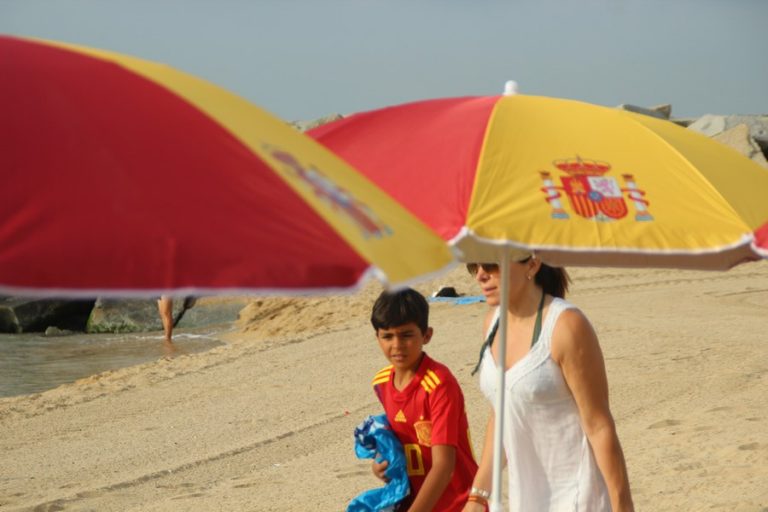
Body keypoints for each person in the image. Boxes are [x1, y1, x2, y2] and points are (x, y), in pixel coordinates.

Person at [463, 257, 634, 512]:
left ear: (532, 265)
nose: (480, 275)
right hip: (526, 500)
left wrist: (623, 505)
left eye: (490, 265)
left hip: (578, 498)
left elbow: (599, 425)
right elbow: (502, 413)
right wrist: (477, 496)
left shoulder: (566, 325)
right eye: (473, 266)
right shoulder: (492, 324)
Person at [369, 288, 481, 512]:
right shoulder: (381, 383)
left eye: (406, 335)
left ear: (427, 335)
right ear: (377, 337)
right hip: (416, 501)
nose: (397, 345)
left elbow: (444, 466)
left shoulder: (439, 385)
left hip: (458, 503)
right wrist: (380, 464)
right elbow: (401, 438)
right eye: (387, 336)